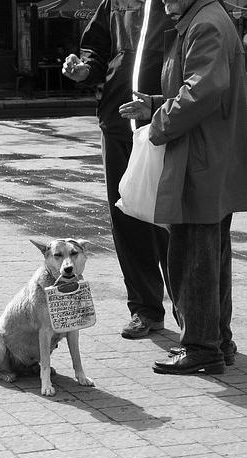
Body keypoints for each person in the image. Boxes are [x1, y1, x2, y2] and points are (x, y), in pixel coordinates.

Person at [119, 0, 247, 374]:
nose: (161, 0)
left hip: (201, 159)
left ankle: (202, 348)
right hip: (208, 156)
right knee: (208, 258)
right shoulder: (205, 19)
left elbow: (203, 92)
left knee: (192, 259)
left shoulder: (205, 24)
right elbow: (202, 88)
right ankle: (216, 343)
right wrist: (158, 105)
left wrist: (159, 123)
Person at [62, 0, 175, 339]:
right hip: (117, 120)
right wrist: (84, 69)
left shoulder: (181, 4)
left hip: (166, 122)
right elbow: (96, 49)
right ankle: (145, 309)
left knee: (171, 219)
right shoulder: (115, 1)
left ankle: (191, 313)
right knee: (126, 217)